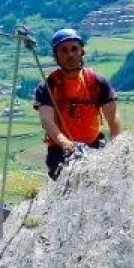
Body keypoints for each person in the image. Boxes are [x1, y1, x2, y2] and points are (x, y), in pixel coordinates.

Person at [33, 28, 122, 179]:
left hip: (94, 144)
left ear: (82, 51)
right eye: (64, 51)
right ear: (56, 56)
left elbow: (113, 118)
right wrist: (65, 143)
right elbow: (46, 120)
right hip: (60, 150)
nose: (70, 55)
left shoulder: (97, 82)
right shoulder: (48, 86)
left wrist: (116, 146)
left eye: (74, 49)